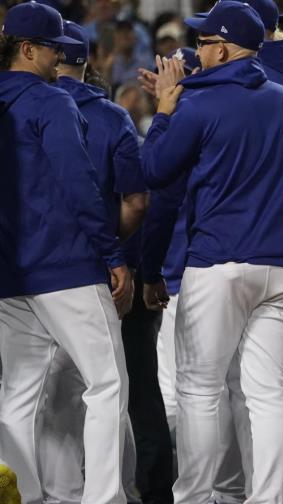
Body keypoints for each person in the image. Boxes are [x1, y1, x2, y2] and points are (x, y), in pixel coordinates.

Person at [139, 2, 283, 502]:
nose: (198, 50)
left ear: (224, 49)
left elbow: (155, 170)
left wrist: (163, 112)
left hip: (218, 264)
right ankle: (271, 497)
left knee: (201, 391)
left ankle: (194, 497)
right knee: (268, 391)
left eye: (205, 42)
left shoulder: (198, 105)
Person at [0, 3, 131, 503]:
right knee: (106, 385)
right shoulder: (51, 101)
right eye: (52, 48)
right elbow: (80, 185)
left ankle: (23, 497)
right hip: (65, 264)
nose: (59, 57)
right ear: (26, 48)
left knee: (18, 395)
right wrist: (111, 252)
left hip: (12, 271)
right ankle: (103, 498)